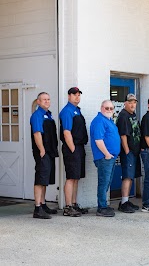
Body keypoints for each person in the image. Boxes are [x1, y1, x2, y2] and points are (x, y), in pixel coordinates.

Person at [59, 87, 88, 217]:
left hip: (79, 147)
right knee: (71, 177)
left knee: (76, 177)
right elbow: (66, 132)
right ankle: (68, 206)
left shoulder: (77, 110)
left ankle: (74, 204)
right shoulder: (67, 111)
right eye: (74, 95)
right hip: (73, 148)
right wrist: (73, 149)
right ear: (69, 96)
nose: (77, 97)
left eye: (78, 95)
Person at [30, 92, 59, 219]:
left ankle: (43, 204)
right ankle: (37, 208)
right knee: (40, 178)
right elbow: (37, 133)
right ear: (38, 101)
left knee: (45, 179)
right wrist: (41, 149)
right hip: (43, 152)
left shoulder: (49, 115)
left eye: (48, 99)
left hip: (50, 151)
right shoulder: (37, 115)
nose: (47, 101)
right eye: (44, 99)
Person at [90, 100, 121, 217]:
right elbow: (98, 140)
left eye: (111, 108)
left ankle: (103, 205)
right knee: (103, 182)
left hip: (110, 157)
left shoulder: (109, 121)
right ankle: (101, 207)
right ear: (101, 108)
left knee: (107, 181)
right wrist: (107, 154)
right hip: (104, 157)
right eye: (106, 108)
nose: (109, 110)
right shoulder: (99, 121)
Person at [116, 93, 141, 213]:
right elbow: (123, 135)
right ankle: (123, 203)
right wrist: (126, 150)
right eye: (130, 102)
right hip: (128, 152)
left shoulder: (133, 114)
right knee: (127, 176)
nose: (132, 104)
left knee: (131, 176)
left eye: (134, 102)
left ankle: (126, 201)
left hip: (134, 151)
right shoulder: (123, 116)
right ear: (125, 103)